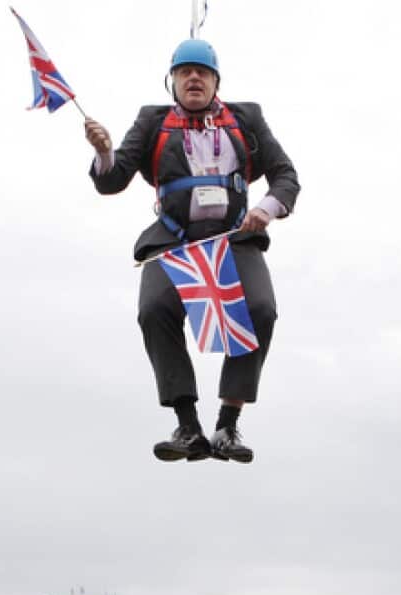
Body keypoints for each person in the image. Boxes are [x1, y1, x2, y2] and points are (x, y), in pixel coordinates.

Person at [84, 38, 299, 464]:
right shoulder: (152, 121)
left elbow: (286, 176)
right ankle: (187, 426)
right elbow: (112, 181)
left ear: (217, 81)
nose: (194, 78)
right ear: (173, 81)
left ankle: (227, 425)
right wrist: (104, 152)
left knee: (260, 309)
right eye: (185, 72)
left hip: (233, 238)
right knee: (154, 309)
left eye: (202, 72)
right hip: (174, 238)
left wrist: (265, 209)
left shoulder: (246, 118)